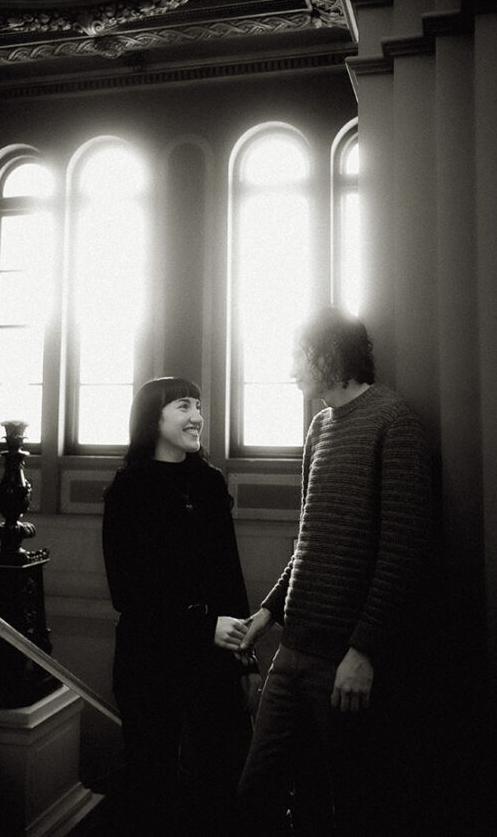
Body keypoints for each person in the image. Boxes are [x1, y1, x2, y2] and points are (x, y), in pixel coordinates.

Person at [236, 306, 432, 837]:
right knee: (256, 797)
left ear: (329, 354)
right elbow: (308, 541)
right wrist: (269, 610)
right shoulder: (319, 428)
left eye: (298, 355)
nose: (291, 369)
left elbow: (402, 549)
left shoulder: (394, 421)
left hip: (344, 659)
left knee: (350, 806)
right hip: (292, 648)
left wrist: (363, 650)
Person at [102, 377, 258, 837]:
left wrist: (245, 657)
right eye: (184, 406)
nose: (197, 417)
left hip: (215, 658)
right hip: (150, 660)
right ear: (155, 417)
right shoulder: (129, 489)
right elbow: (127, 592)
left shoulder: (209, 483)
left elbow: (229, 575)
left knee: (220, 780)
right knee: (152, 787)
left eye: (199, 406)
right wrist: (202, 625)